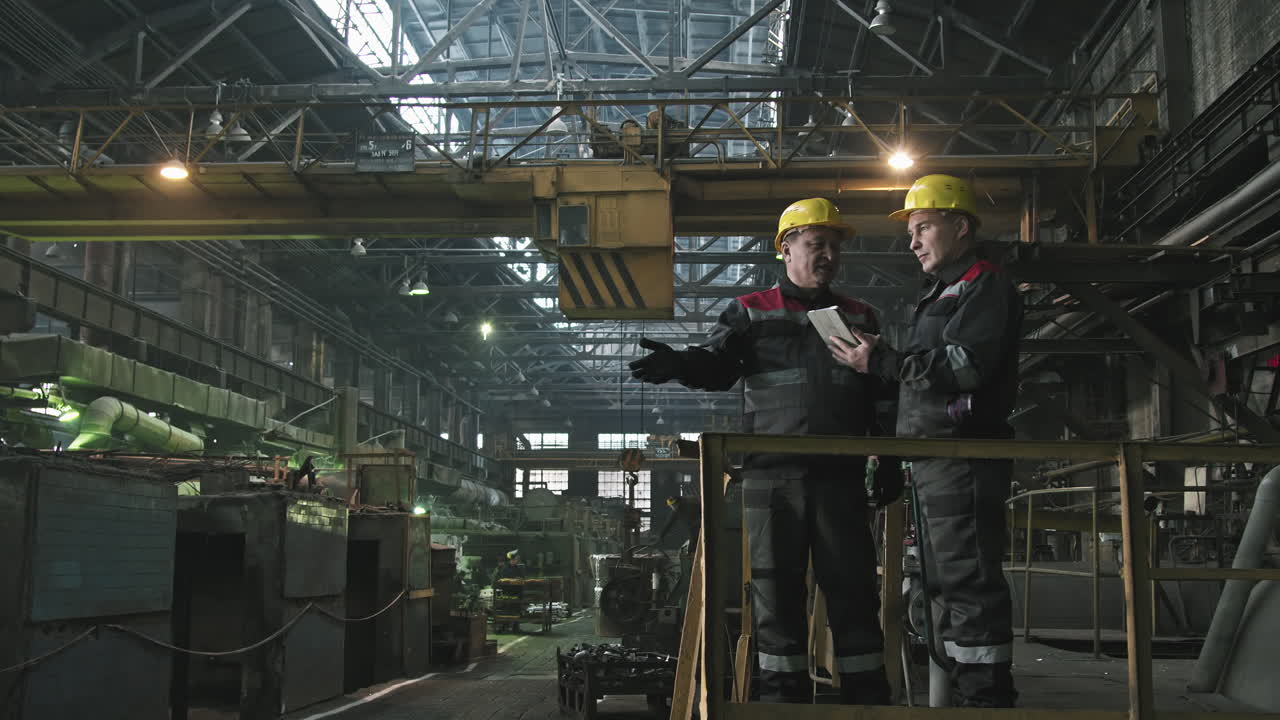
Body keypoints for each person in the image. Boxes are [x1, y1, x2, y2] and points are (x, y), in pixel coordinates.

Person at [629, 198, 902, 705]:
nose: (828, 255)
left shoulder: (860, 315)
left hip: (840, 481)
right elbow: (717, 365)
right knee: (775, 600)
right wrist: (680, 363)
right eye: (816, 244)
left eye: (834, 246)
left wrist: (888, 459)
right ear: (786, 248)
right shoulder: (751, 311)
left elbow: (881, 396)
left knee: (855, 597)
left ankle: (868, 704)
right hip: (770, 482)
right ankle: (783, 705)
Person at [829, 174, 1023, 707]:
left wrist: (885, 361)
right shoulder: (940, 294)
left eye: (922, 228)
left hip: (962, 456)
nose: (911, 242)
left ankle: (987, 700)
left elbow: (965, 365)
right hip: (933, 460)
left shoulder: (985, 285)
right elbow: (923, 379)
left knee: (969, 583)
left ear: (959, 227)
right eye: (911, 232)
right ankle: (967, 693)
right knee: (944, 585)